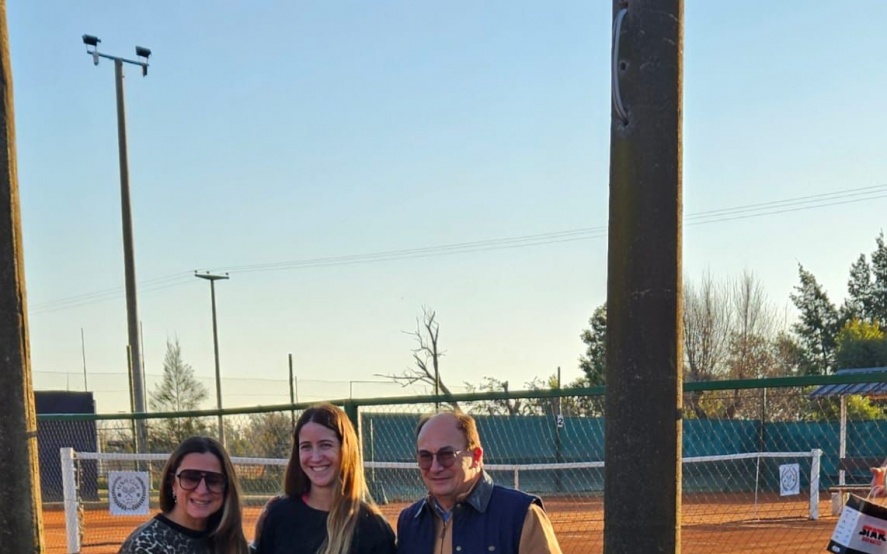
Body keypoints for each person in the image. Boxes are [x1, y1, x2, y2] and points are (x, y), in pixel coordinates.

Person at [397, 410, 562, 554]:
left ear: (476, 457)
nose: (435, 467)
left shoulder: (521, 515)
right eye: (425, 456)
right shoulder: (409, 522)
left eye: (446, 455)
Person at [253, 403, 396, 554]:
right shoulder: (278, 515)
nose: (316, 457)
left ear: (345, 449)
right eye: (306, 446)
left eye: (325, 445)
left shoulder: (373, 528)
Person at [118, 435, 249, 554]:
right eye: (190, 477)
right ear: (172, 483)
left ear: (227, 487)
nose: (202, 490)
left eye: (213, 480)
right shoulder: (145, 545)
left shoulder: (230, 540)